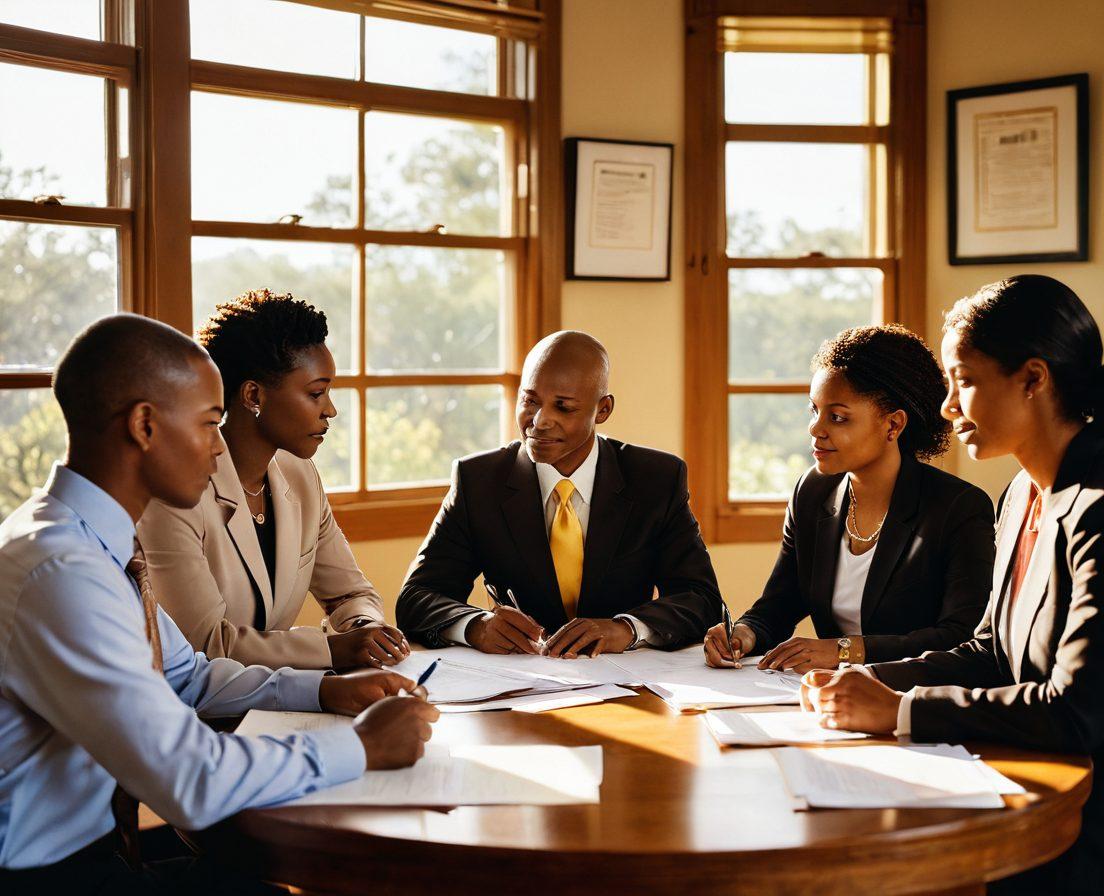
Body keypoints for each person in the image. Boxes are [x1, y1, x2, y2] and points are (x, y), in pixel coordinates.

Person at [0, 315, 439, 892]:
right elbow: (191, 777)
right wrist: (359, 746)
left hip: (100, 853)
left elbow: (190, 677)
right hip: (46, 876)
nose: (218, 450)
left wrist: (327, 688)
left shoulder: (85, 539)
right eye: (210, 424)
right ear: (145, 425)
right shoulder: (64, 570)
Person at [801, 276, 1104, 893]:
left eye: (962, 379)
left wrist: (902, 710)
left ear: (1033, 379)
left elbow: (1075, 712)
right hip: (1020, 792)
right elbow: (989, 649)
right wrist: (872, 681)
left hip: (1098, 834)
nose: (947, 407)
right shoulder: (1019, 495)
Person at [397, 330, 722, 656]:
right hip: (516, 684)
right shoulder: (478, 481)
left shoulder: (656, 479)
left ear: (603, 410)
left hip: (630, 685)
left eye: (563, 407)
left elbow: (701, 599)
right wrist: (476, 626)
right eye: (530, 401)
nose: (539, 421)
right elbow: (417, 596)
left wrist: (624, 629)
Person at [137, 290, 408, 672]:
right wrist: (333, 650)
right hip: (196, 714)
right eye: (316, 393)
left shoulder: (300, 476)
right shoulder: (174, 496)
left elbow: (350, 593)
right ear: (253, 395)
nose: (330, 410)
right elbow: (204, 644)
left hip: (282, 702)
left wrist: (366, 629)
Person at [703, 325, 995, 672]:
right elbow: (779, 604)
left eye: (837, 417)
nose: (815, 428)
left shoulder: (958, 507)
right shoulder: (812, 492)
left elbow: (960, 637)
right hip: (825, 698)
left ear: (893, 425)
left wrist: (846, 651)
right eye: (814, 410)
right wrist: (745, 633)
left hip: (911, 699)